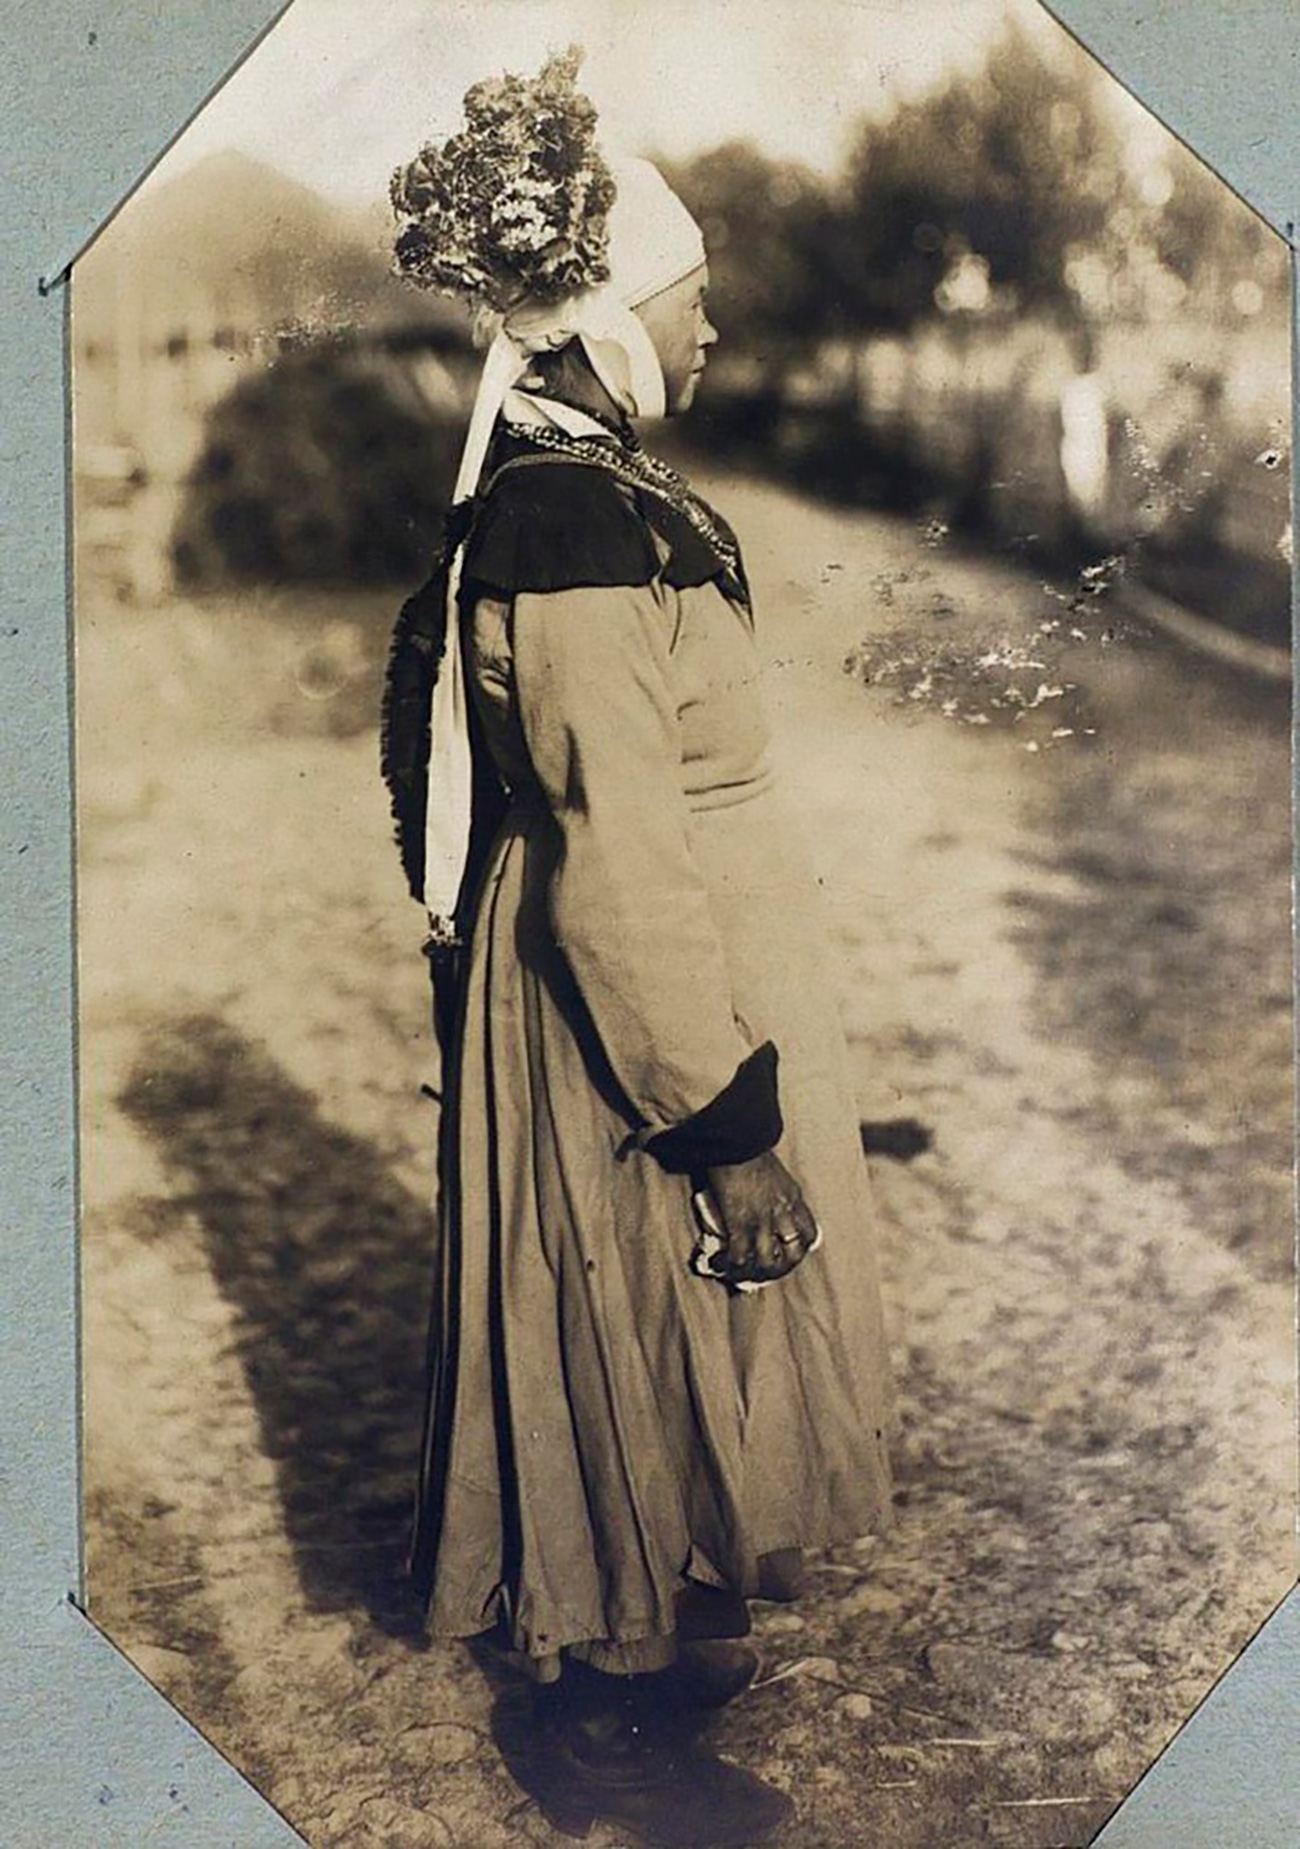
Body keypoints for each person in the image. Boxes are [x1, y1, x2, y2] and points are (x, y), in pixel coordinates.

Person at [382, 51, 894, 1849]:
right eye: (697, 298)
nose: (720, 327)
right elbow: (613, 854)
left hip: (671, 946)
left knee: (662, 1301)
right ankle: (597, 1708)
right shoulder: (571, 519)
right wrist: (720, 1113)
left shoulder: (599, 483)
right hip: (628, 988)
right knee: (626, 1278)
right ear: (604, 309)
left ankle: (646, 1624)